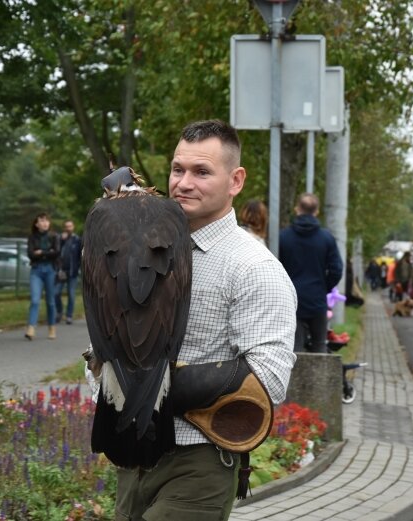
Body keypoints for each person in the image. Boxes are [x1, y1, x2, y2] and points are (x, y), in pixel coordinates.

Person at [113, 119, 297, 520]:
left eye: (201, 172)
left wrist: (155, 386)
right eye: (178, 169)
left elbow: (269, 379)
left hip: (199, 460)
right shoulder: (141, 253)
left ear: (235, 181)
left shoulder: (255, 268)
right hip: (133, 454)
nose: (183, 183)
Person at [278, 192, 343, 353]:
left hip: (291, 301)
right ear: (317, 212)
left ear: (297, 209)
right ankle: (318, 379)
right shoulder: (326, 238)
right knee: (319, 346)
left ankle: (296, 379)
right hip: (317, 300)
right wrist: (324, 287)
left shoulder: (282, 237)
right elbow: (336, 269)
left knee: (294, 350)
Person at [25, 213, 60, 340]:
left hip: (51, 270)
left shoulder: (54, 236)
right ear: (36, 224)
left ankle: (51, 327)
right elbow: (30, 254)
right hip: (36, 271)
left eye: (46, 221)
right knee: (35, 300)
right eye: (42, 221)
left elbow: (56, 252)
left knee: (50, 301)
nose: (45, 223)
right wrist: (47, 253)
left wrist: (41, 252)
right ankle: (31, 328)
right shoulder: (32, 237)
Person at [54, 219, 82, 325]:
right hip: (61, 272)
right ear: (64, 228)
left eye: (70, 226)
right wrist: (61, 240)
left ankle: (69, 315)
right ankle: (59, 312)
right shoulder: (60, 239)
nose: (68, 228)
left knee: (71, 294)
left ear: (73, 227)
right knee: (56, 293)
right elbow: (56, 252)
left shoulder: (77, 240)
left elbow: (80, 256)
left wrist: (77, 267)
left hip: (72, 273)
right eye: (66, 226)